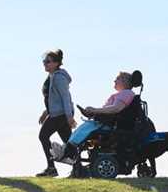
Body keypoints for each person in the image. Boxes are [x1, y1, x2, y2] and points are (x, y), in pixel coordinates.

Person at [51, 72, 136, 163]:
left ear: (124, 81)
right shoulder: (122, 94)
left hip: (110, 125)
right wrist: (91, 113)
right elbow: (109, 110)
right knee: (83, 127)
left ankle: (67, 152)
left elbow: (116, 109)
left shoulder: (126, 93)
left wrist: (94, 110)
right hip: (105, 121)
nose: (114, 81)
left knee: (86, 127)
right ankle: (67, 149)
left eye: (117, 79)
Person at [37, 49, 76, 177]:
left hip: (60, 115)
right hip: (56, 114)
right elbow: (53, 98)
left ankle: (51, 168)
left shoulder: (59, 77)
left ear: (56, 63)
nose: (45, 64)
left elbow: (65, 97)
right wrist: (45, 112)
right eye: (44, 61)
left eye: (48, 62)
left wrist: (69, 117)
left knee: (43, 136)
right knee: (69, 142)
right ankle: (79, 168)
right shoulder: (52, 76)